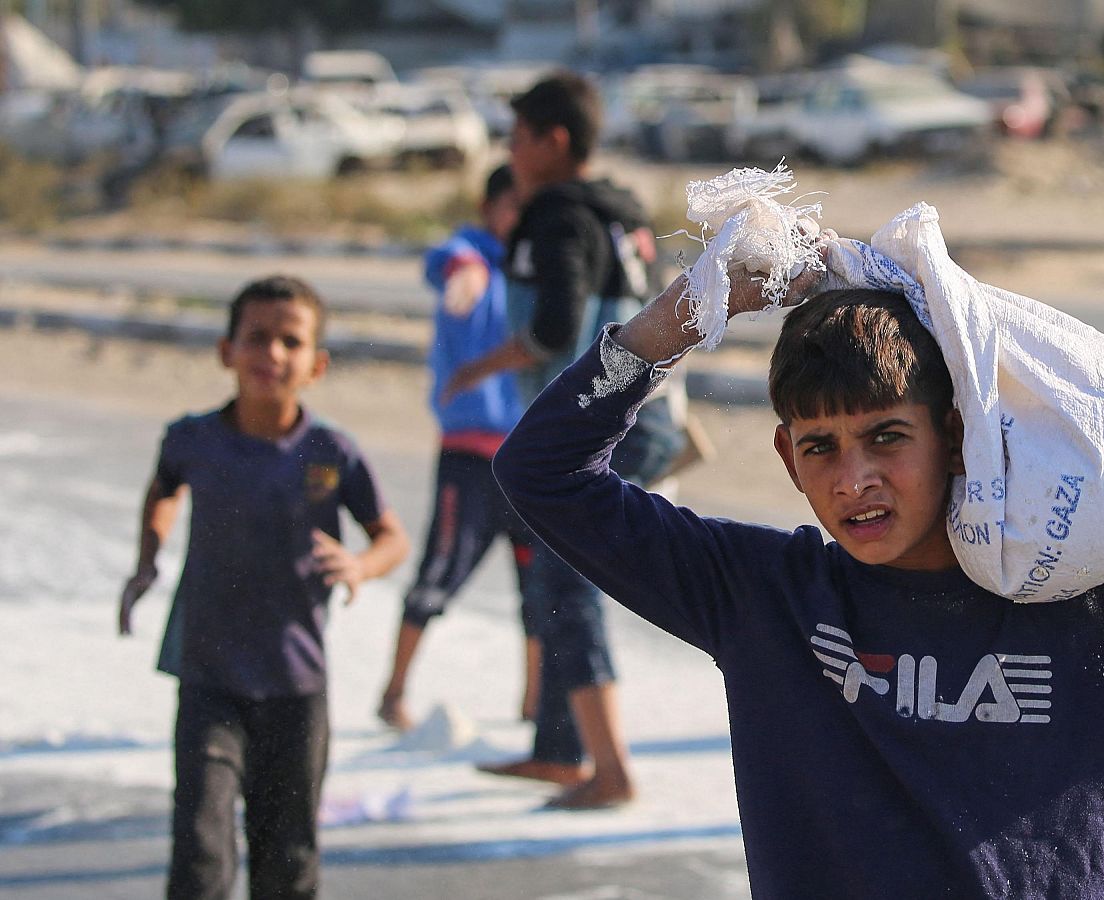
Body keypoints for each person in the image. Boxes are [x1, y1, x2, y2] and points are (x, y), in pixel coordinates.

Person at [488, 254, 1104, 896]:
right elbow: (541, 474)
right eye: (820, 448)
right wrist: (673, 323)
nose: (854, 478)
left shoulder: (1086, 609)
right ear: (787, 462)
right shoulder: (762, 596)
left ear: (955, 436)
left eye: (887, 438)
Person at [118, 275, 409, 899]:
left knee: (288, 860)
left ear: (316, 365)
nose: (271, 354)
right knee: (199, 850)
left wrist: (360, 566)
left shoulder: (331, 452)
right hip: (208, 679)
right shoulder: (192, 439)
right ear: (227, 351)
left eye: (290, 341)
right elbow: (164, 487)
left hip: (296, 687)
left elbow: (392, 537)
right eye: (256, 338)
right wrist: (147, 559)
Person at [447, 71, 683, 809]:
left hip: (592, 435)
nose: (509, 151)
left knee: (564, 586)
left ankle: (607, 771)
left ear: (553, 141)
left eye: (517, 137)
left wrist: (476, 368)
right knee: (557, 582)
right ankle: (558, 750)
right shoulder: (623, 210)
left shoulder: (553, 213)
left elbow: (553, 329)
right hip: (647, 419)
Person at [375, 164, 565, 746]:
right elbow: (447, 263)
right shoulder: (471, 253)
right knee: (438, 574)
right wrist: (466, 276)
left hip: (529, 457)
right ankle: (393, 692)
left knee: (539, 589)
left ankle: (534, 702)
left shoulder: (537, 263)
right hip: (471, 456)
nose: (521, 218)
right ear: (491, 208)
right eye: (513, 206)